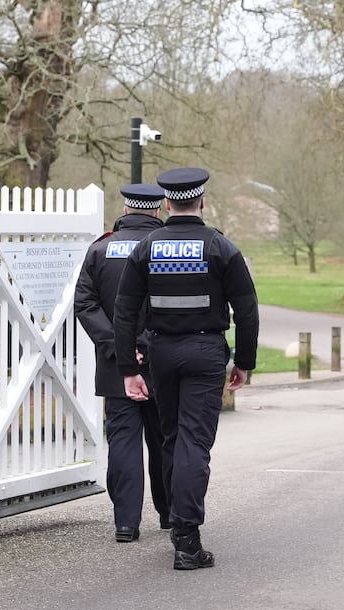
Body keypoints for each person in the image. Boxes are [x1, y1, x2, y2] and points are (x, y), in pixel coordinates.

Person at [112, 167, 259, 570]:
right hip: (206, 352)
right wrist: (244, 362)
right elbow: (247, 310)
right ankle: (187, 540)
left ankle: (177, 525)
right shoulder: (220, 247)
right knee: (195, 441)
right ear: (202, 201)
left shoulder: (147, 247)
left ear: (166, 203)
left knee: (173, 438)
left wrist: (129, 368)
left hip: (161, 353)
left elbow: (125, 313)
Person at [74, 183, 171, 543]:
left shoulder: (100, 249)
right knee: (164, 438)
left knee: (124, 441)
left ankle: (126, 523)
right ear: (158, 210)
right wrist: (148, 345)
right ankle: (169, 513)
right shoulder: (167, 249)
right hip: (163, 357)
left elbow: (85, 304)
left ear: (126, 209)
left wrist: (121, 346)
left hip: (117, 363)